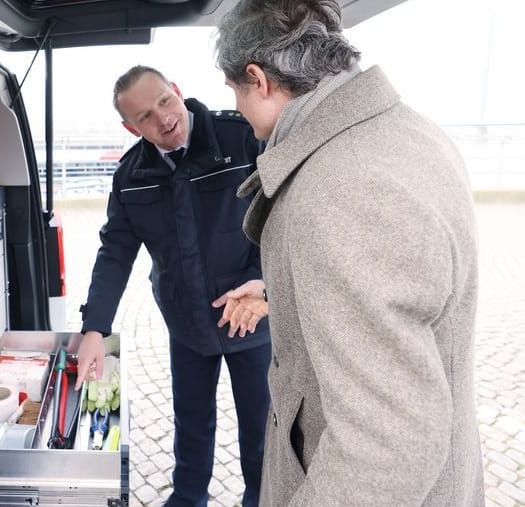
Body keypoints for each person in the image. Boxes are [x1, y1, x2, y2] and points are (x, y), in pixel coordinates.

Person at [213, 1, 484, 505]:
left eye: (235, 92)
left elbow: (386, 448)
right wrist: (284, 290)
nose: (239, 110)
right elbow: (398, 288)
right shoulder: (404, 132)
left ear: (259, 78)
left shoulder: (342, 183)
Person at [74, 65, 271, 507]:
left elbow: (284, 214)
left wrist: (265, 281)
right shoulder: (130, 175)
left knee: (261, 431)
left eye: (164, 101)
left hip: (250, 316)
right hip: (187, 322)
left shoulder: (240, 138)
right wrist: (94, 330)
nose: (163, 118)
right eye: (145, 116)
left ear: (177, 91)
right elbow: (115, 253)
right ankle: (186, 499)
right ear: (130, 127)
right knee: (191, 424)